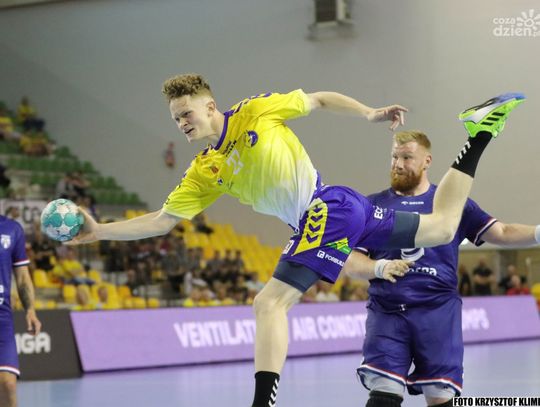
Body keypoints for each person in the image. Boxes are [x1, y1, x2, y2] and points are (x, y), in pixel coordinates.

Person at [68, 73, 524, 407]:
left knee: (268, 304)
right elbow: (163, 220)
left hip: (326, 209)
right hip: (342, 212)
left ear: (210, 107)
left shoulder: (254, 110)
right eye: (175, 118)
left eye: (186, 113)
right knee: (442, 227)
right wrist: (99, 231)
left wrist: (368, 112)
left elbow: (319, 99)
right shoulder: (204, 170)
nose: (181, 123)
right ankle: (480, 132)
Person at [344, 128, 538, 407]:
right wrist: (379, 268)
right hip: (388, 310)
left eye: (407, 157)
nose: (398, 164)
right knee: (384, 393)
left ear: (427, 161)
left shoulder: (450, 203)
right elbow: (352, 263)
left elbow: (503, 232)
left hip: (438, 312)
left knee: (440, 397)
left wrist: (538, 233)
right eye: (394, 157)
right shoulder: (371, 205)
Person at [0, 214, 42, 407]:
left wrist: (30, 310)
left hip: (2, 318)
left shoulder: (12, 229)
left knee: (7, 384)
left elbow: (23, 276)